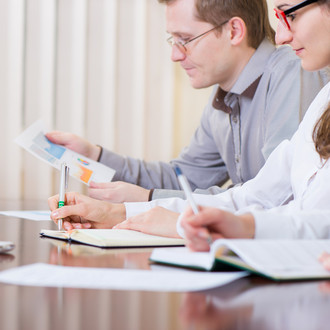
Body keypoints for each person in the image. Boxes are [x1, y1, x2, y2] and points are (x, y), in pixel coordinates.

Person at [48, 0, 330, 243]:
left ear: (234, 30)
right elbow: (208, 183)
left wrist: (148, 202)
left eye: (185, 39)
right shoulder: (226, 97)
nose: (175, 54)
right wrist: (100, 167)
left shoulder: (297, 71)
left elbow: (284, 203)